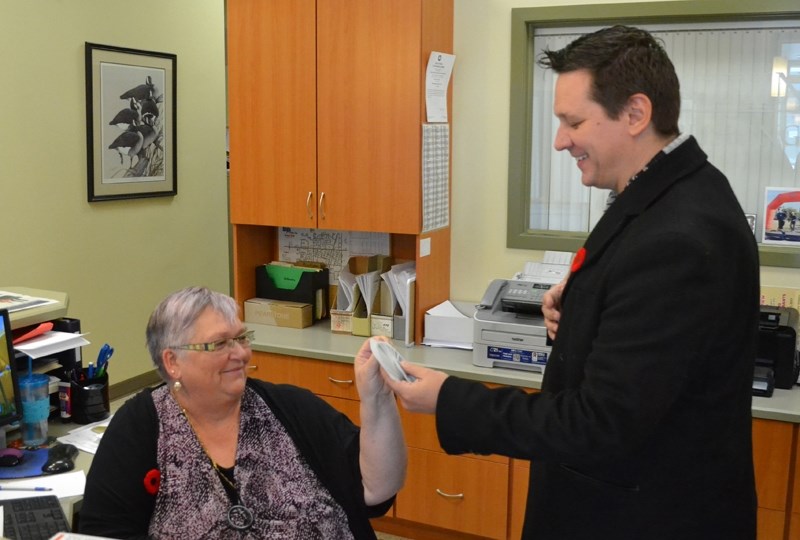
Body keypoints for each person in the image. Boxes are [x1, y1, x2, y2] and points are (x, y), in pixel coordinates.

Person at [384, 25, 759, 540]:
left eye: (573, 122)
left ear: (635, 114)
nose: (560, 141)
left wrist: (449, 399)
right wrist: (583, 306)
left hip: (642, 516)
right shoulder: (669, 191)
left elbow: (598, 423)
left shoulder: (677, 238)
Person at [80, 286, 406, 539]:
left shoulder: (292, 409)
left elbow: (376, 491)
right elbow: (104, 533)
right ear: (172, 362)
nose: (240, 353)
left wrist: (377, 400)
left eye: (240, 338)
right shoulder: (139, 429)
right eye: (219, 344)